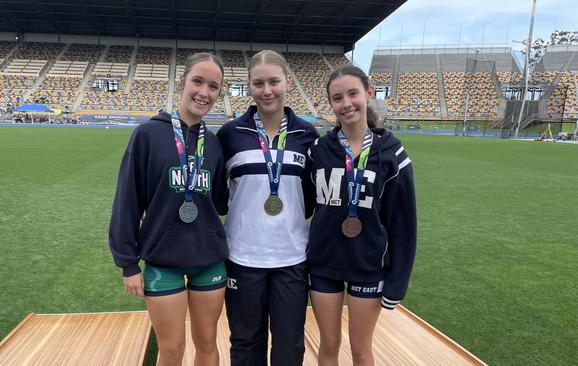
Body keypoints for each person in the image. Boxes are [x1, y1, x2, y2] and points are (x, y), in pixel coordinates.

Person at [109, 52, 229, 366]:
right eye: (198, 81)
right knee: (171, 350)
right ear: (182, 82)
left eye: (213, 87)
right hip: (163, 260)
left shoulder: (214, 144)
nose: (204, 92)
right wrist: (128, 263)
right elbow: (127, 200)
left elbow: (218, 201)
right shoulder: (147, 135)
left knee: (207, 344)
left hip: (209, 260)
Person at [306, 64, 417, 366]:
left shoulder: (393, 154)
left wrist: (396, 284)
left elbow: (403, 225)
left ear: (368, 93)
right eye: (337, 98)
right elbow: (303, 203)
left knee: (360, 350)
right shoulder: (318, 151)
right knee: (328, 345)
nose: (346, 104)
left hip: (369, 268)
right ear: (331, 104)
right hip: (323, 266)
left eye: (353, 94)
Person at [217, 50, 319, 365]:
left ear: (287, 81)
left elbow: (310, 198)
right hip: (243, 257)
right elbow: (219, 196)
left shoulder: (307, 134)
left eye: (274, 81)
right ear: (249, 86)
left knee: (290, 344)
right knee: (246, 342)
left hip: (291, 257)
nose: (267, 90)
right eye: (258, 83)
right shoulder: (230, 134)